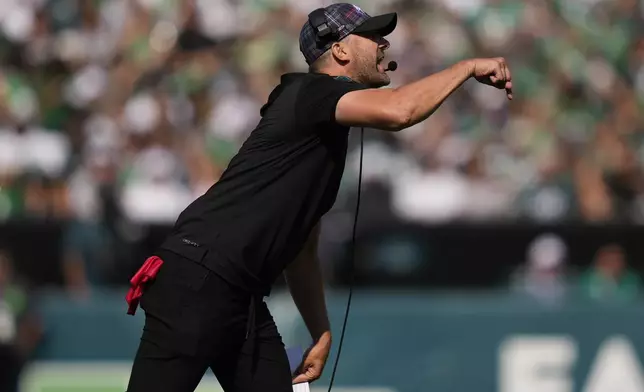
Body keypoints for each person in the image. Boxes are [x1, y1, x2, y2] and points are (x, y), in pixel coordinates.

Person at [124, 3, 513, 392]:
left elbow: (302, 249)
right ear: (341, 51)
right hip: (200, 278)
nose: (383, 44)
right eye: (372, 36)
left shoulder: (321, 128)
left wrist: (320, 330)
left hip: (235, 292)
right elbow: (401, 110)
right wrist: (466, 67)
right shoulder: (310, 92)